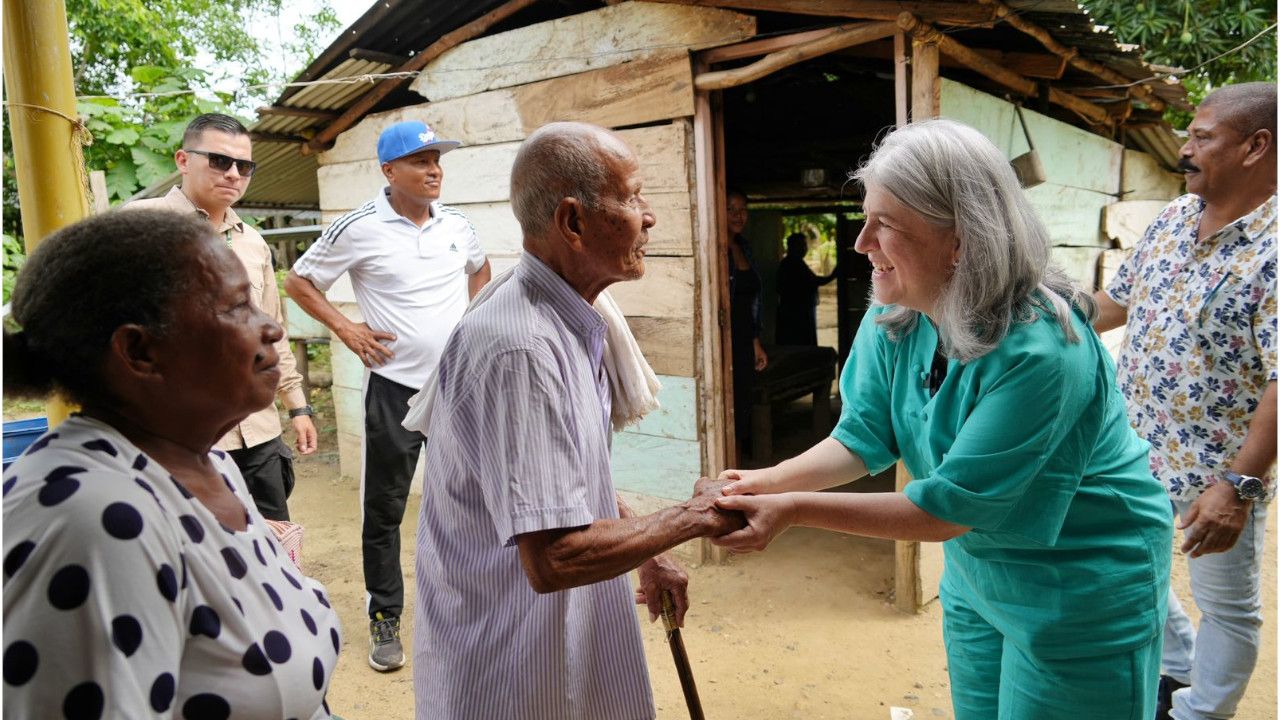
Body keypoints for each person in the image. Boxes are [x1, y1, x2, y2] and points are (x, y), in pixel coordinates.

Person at [710, 119, 1173, 720]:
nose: (861, 243)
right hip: (979, 571)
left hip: (1084, 580)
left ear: (961, 241)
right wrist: (765, 481)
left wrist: (793, 509)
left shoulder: (1042, 349)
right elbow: (864, 434)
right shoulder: (897, 313)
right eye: (866, 217)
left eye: (886, 224)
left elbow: (943, 511)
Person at [408, 121, 744, 720]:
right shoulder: (523, 348)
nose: (649, 217)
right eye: (632, 198)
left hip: (551, 636)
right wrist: (693, 517)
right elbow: (555, 556)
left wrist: (648, 551)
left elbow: (566, 474)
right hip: (510, 658)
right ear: (572, 222)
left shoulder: (571, 321)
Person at [2, 210, 341, 719]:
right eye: (238, 307)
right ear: (140, 351)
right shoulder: (96, 519)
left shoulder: (212, 466)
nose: (272, 328)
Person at [1092, 82, 1276, 720]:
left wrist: (1239, 486)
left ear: (1255, 146)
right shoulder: (1173, 218)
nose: (1185, 147)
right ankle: (1178, 667)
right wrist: (1034, 312)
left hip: (1216, 471)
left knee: (1227, 606)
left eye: (1201, 136)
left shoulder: (1275, 249)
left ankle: (1202, 713)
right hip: (1133, 447)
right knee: (1128, 564)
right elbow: (1114, 303)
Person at [284, 120, 492, 672]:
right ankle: (385, 616)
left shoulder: (457, 224)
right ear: (389, 171)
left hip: (455, 390)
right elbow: (300, 282)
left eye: (437, 160)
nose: (434, 170)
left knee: (467, 505)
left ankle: (467, 611)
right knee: (385, 510)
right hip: (393, 391)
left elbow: (480, 268)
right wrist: (346, 328)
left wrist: (474, 322)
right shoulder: (358, 227)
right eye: (422, 161)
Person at [126, 113, 317, 522]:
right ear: (183, 160)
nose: (233, 174)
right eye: (219, 161)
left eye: (244, 166)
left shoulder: (253, 242)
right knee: (191, 550)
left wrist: (298, 407)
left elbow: (273, 332)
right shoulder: (139, 226)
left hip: (257, 431)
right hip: (180, 438)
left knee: (274, 547)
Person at [726, 189, 768, 456]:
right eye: (730, 209)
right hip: (723, 341)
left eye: (743, 210)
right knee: (726, 408)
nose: (738, 215)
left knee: (742, 407)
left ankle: (736, 468)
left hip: (743, 342)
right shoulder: (715, 248)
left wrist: (755, 342)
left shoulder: (745, 247)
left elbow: (753, 300)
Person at [775, 231, 837, 346]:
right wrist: (833, 275)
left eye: (804, 245)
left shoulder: (794, 263)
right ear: (791, 247)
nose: (804, 248)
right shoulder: (792, 264)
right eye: (800, 245)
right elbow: (814, 281)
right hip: (797, 314)